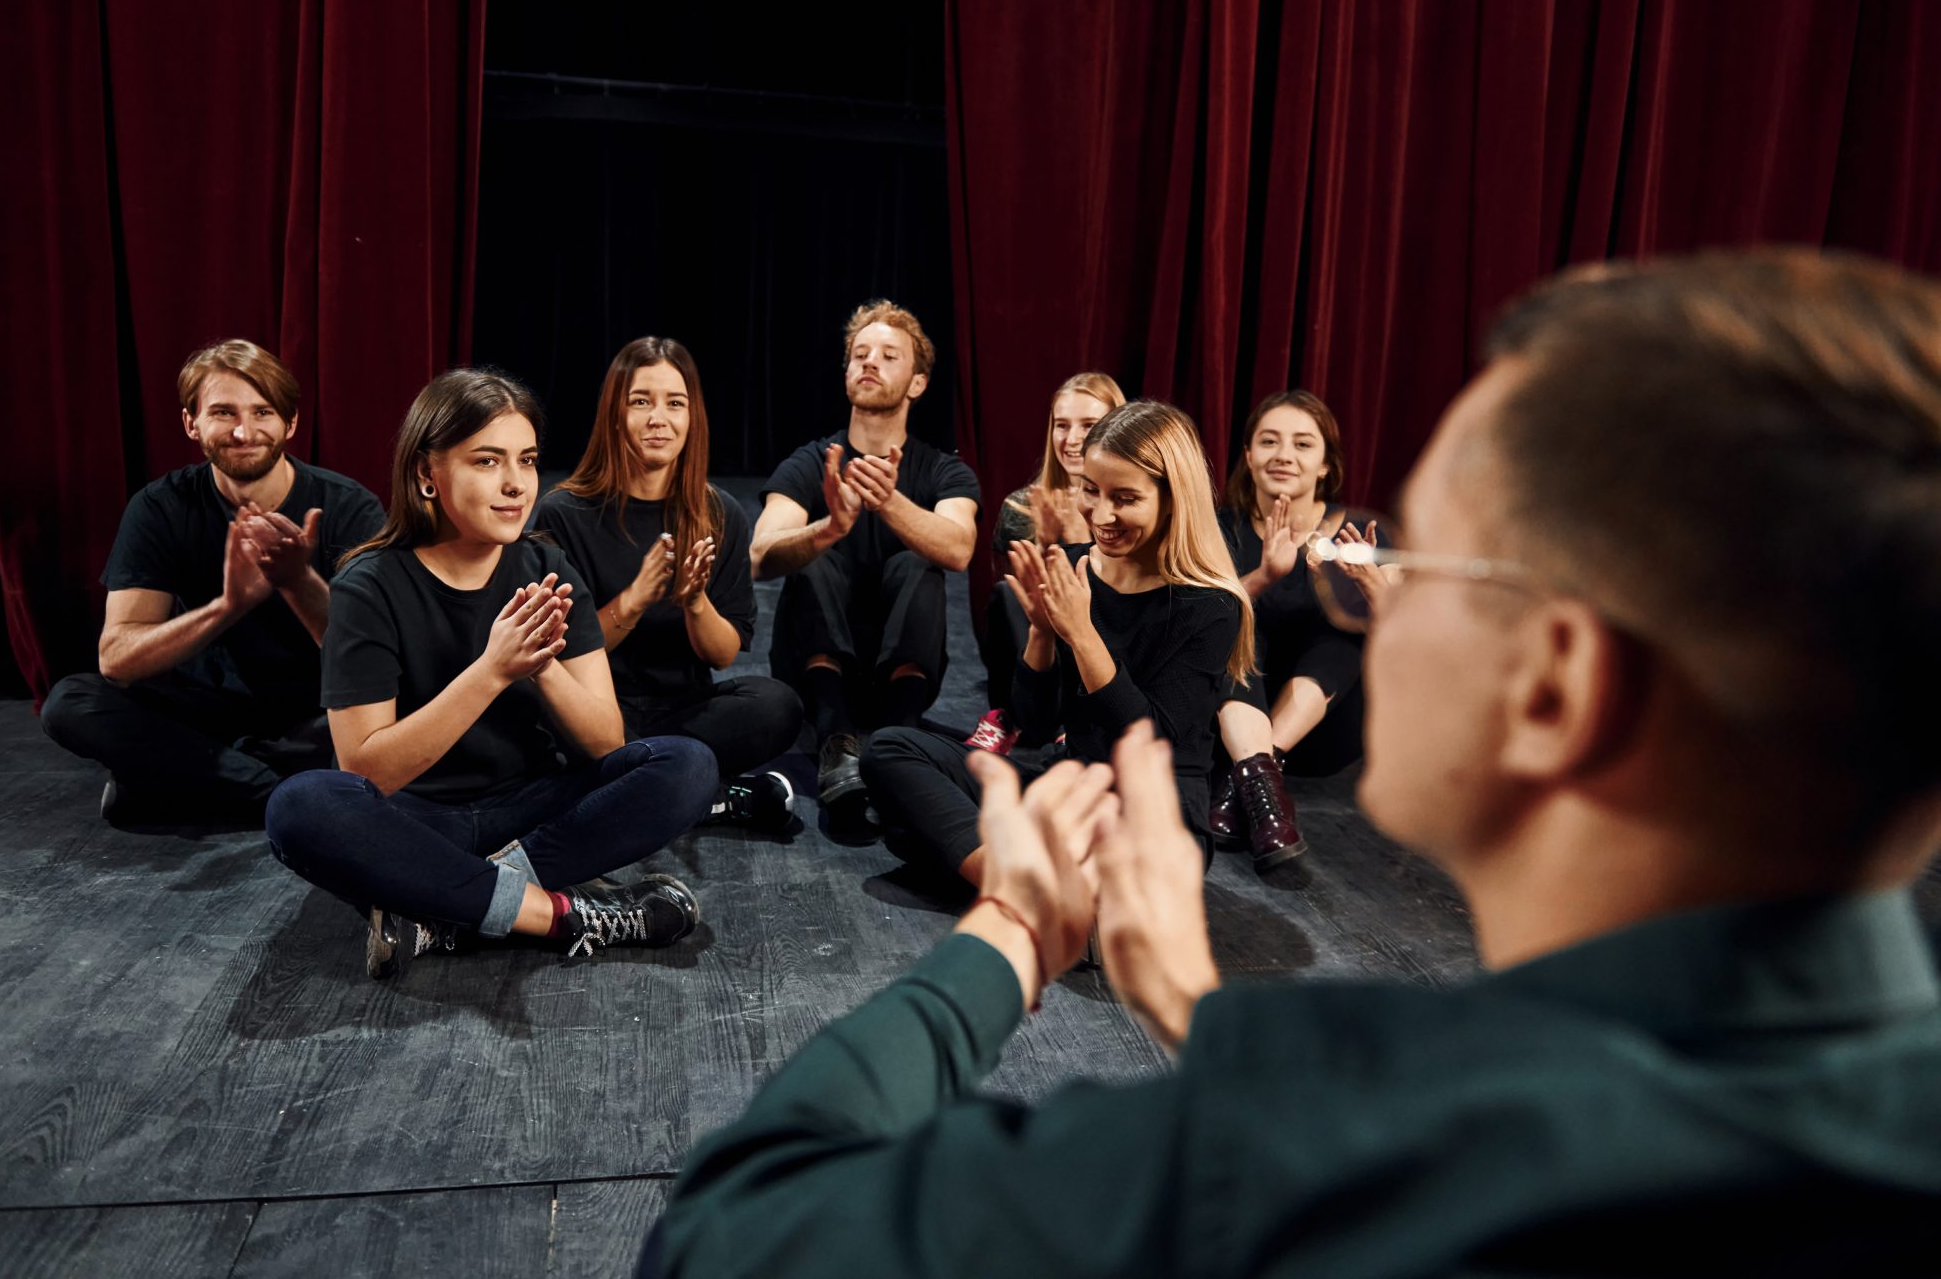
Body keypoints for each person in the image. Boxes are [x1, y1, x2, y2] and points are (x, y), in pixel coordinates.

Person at [641, 250, 1941, 1276]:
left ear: (1555, 684)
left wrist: (1004, 935)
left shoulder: (1331, 1146)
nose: (1358, 589)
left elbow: (727, 1234)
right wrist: (1204, 1021)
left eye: (1404, 559)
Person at [263, 368, 717, 979]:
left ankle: (451, 905)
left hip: (531, 811)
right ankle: (561, 915)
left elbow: (605, 742)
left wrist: (541, 668)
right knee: (301, 805)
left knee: (687, 766)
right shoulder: (369, 584)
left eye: (527, 461)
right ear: (428, 473)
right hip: (416, 822)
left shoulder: (546, 566)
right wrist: (491, 671)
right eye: (486, 461)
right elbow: (367, 768)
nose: (515, 485)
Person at [861, 400, 1250, 885]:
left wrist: (1082, 633)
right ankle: (1017, 877)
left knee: (915, 833)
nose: (1101, 514)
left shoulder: (1210, 604)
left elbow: (1150, 743)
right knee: (890, 749)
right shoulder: (1071, 564)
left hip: (1151, 807)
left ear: (1172, 500)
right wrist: (1042, 634)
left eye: (1125, 498)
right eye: (1091, 490)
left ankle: (998, 868)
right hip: (1067, 786)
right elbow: (1038, 723)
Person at [40, 339, 385, 825]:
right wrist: (227, 605)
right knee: (69, 704)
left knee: (397, 709)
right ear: (191, 423)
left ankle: (178, 785)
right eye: (223, 412)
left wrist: (296, 582)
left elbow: (372, 655)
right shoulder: (160, 506)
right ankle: (285, 798)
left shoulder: (350, 507)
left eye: (262, 412)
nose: (244, 431)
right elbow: (117, 660)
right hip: (203, 706)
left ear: (290, 423)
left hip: (311, 707)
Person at [536, 337, 804, 831]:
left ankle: (641, 786)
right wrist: (635, 599)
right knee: (539, 723)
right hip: (596, 712)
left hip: (683, 711)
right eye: (641, 401)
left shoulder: (719, 513)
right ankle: (701, 796)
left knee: (776, 705)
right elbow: (556, 651)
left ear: (692, 417)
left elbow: (723, 656)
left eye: (674, 403)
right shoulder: (564, 512)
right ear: (616, 414)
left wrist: (695, 601)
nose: (659, 418)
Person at [752, 299, 980, 818]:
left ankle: (900, 741)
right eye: (860, 354)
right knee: (816, 554)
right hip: (815, 683)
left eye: (888, 355)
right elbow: (759, 556)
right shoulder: (812, 462)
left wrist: (888, 501)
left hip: (897, 681)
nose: (870, 363)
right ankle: (837, 743)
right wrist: (829, 527)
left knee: (918, 561)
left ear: (918, 383)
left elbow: (959, 547)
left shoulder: (944, 471)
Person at [1210, 390, 1373, 867]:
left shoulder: (1359, 534)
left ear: (1326, 464)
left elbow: (1411, 635)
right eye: (1269, 441)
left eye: (1303, 444)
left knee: (1343, 634)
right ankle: (1260, 788)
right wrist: (1264, 577)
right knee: (1234, 621)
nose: (1283, 455)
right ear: (1248, 455)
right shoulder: (1215, 528)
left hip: (1324, 737)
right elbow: (1189, 620)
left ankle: (1253, 775)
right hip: (1230, 723)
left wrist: (1373, 590)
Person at [968, 372, 1125, 755]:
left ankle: (1072, 725)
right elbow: (1011, 605)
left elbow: (1125, 599)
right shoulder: (1023, 505)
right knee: (1009, 594)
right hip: (1040, 656)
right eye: (1062, 425)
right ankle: (1006, 715)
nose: (1072, 440)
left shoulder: (1130, 505)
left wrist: (1079, 541)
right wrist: (1044, 545)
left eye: (1089, 426)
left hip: (1107, 657)